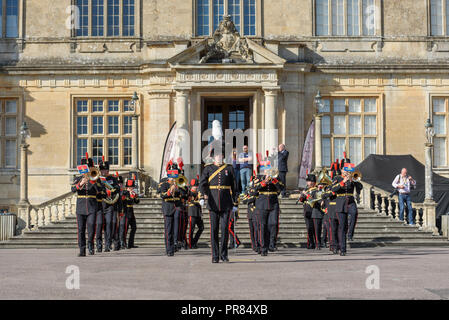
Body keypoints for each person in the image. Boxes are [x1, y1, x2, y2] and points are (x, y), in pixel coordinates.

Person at [199, 151, 238, 263]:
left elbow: (234, 186)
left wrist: (235, 203)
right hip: (213, 202)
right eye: (217, 156)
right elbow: (202, 183)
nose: (219, 157)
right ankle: (215, 256)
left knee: (225, 230)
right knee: (214, 230)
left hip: (226, 203)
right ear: (213, 157)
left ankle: (224, 255)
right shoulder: (208, 169)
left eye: (221, 155)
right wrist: (202, 195)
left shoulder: (229, 168)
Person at [71, 156, 103, 257]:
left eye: (88, 169)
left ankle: (90, 245)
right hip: (80, 208)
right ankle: (82, 249)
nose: (86, 171)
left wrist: (93, 181)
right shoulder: (77, 178)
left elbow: (100, 191)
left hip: (92, 207)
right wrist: (81, 183)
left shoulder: (95, 179)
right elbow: (72, 189)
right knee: (80, 229)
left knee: (91, 228)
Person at [331, 164, 363, 256]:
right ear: (341, 170)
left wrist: (353, 180)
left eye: (348, 170)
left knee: (354, 213)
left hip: (350, 201)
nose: (346, 172)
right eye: (345, 170)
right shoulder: (337, 178)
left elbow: (359, 188)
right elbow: (333, 189)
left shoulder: (352, 178)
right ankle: (343, 249)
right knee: (342, 226)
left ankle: (350, 234)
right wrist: (343, 182)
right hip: (340, 203)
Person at [254, 167, 283, 256]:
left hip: (273, 203)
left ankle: (272, 243)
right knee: (262, 226)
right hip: (262, 204)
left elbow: (281, 188)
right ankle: (263, 248)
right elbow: (254, 189)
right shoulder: (259, 178)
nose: (268, 171)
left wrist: (274, 181)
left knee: (273, 224)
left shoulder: (276, 178)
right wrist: (264, 182)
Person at [98, 159, 120, 252]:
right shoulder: (97, 178)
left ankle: (107, 244)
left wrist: (112, 190)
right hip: (99, 204)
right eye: (102, 170)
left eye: (106, 170)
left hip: (109, 204)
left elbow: (117, 188)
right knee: (99, 224)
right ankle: (99, 244)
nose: (104, 171)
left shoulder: (112, 179)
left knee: (109, 224)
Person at [298, 174, 317, 249]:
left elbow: (314, 199)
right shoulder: (306, 189)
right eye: (308, 181)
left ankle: (317, 243)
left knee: (314, 227)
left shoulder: (317, 190)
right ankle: (310, 243)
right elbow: (301, 200)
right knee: (309, 227)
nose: (309, 183)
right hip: (307, 210)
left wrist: (307, 195)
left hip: (314, 210)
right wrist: (302, 195)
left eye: (311, 181)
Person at [187, 177, 204, 249]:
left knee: (201, 228)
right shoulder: (189, 192)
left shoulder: (197, 193)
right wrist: (198, 202)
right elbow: (190, 201)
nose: (197, 187)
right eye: (196, 186)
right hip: (192, 212)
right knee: (192, 229)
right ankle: (191, 244)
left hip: (198, 212)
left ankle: (194, 241)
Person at [122, 178, 139, 249]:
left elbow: (137, 202)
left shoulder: (133, 193)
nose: (131, 188)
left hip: (131, 211)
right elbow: (125, 201)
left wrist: (135, 197)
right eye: (130, 187)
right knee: (125, 228)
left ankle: (130, 243)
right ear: (127, 187)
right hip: (126, 211)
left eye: (132, 187)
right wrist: (130, 194)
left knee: (134, 227)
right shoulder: (124, 193)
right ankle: (123, 243)